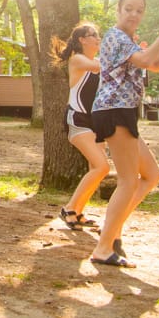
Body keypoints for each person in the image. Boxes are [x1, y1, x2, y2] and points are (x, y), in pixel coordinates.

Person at [89, 0, 159, 268]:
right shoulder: (115, 37)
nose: (134, 14)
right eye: (128, 9)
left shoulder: (130, 40)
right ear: (118, 11)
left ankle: (112, 231)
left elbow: (153, 65)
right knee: (129, 180)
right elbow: (145, 59)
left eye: (139, 10)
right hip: (113, 110)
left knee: (151, 175)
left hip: (123, 111)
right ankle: (104, 246)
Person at [51, 22, 108, 231]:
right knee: (103, 166)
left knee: (97, 169)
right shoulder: (78, 60)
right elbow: (100, 66)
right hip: (77, 120)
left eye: (98, 35)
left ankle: (77, 210)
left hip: (95, 121)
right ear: (82, 40)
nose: (97, 38)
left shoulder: (99, 62)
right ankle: (68, 209)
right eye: (92, 35)